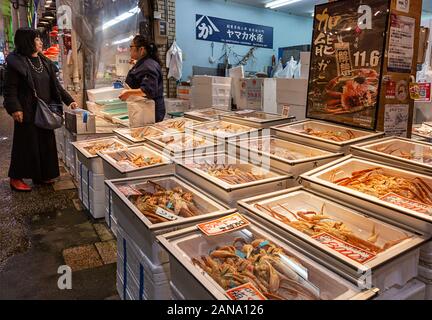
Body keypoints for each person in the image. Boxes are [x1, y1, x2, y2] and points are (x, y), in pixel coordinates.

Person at [3, 27, 78, 192]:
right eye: (37, 39)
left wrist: (69, 100)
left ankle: (41, 175)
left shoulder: (43, 61)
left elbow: (56, 86)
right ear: (27, 42)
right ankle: (16, 177)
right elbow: (9, 90)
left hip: (46, 110)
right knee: (26, 145)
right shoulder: (16, 62)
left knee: (45, 143)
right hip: (26, 111)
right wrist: (15, 108)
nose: (40, 42)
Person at [119, 35, 165, 122]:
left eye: (131, 46)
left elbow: (148, 90)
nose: (130, 49)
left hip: (150, 112)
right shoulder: (144, 63)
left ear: (141, 50)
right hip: (142, 108)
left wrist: (128, 93)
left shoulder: (148, 66)